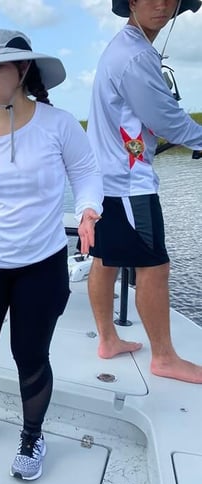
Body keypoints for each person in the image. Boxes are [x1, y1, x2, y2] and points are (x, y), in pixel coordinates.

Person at [0, 29, 103, 480]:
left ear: (23, 69)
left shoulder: (60, 124)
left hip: (43, 263)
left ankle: (32, 437)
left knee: (30, 354)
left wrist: (89, 210)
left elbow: (87, 175)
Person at [86, 0, 202, 383]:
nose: (162, 4)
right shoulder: (136, 57)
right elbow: (167, 120)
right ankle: (164, 358)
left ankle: (107, 340)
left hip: (104, 181)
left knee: (106, 260)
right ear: (131, 2)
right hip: (129, 183)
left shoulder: (123, 47)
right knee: (155, 267)